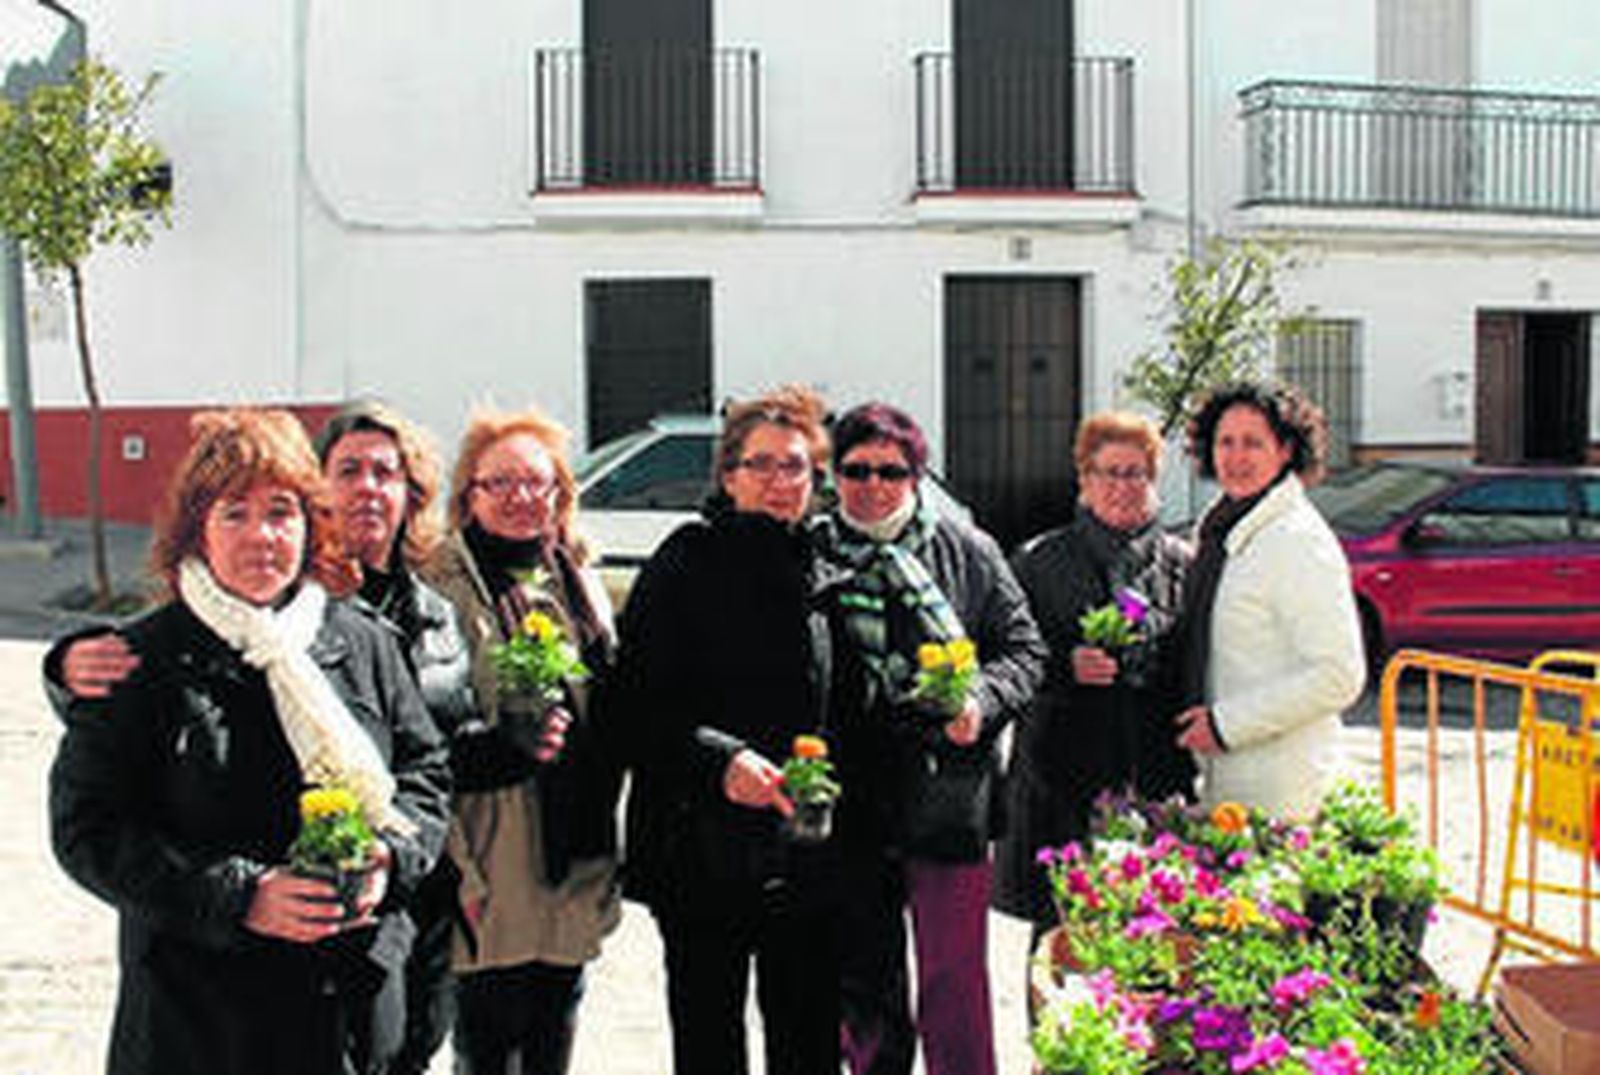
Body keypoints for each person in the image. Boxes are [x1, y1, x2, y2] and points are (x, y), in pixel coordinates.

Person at [48, 401, 475, 1075]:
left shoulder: (360, 641)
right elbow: (86, 829)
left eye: (281, 511)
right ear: (196, 532)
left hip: (350, 1012)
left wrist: (391, 859)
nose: (261, 536)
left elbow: (425, 769)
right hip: (200, 1018)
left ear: (310, 524)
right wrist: (240, 896)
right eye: (234, 513)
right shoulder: (140, 659)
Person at [610, 385, 851, 1075]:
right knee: (710, 1039)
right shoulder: (686, 561)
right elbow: (633, 708)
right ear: (729, 474)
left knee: (807, 1041)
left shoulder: (826, 562)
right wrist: (722, 760)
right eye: (763, 465)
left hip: (803, 850)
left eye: (796, 466)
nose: (781, 481)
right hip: (700, 848)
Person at [821, 402, 1044, 1075]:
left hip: (949, 793)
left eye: (892, 470)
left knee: (953, 973)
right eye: (856, 469)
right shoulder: (812, 551)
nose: (873, 485)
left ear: (917, 475)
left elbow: (1024, 650)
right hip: (851, 798)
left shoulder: (967, 550)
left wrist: (981, 699)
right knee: (864, 972)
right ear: (834, 474)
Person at [424, 406, 620, 1075]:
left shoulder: (579, 578)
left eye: (537, 483)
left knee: (553, 1035)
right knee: (487, 1044)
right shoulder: (440, 589)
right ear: (467, 496)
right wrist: (460, 868)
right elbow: (422, 739)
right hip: (492, 854)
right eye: (499, 483)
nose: (520, 498)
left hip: (574, 853)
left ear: (562, 495)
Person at [993, 411, 1193, 933]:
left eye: (1135, 473)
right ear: (1083, 479)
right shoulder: (1038, 562)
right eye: (1108, 472)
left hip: (1155, 779)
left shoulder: (1182, 565)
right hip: (1062, 781)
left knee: (1155, 938)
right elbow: (1004, 661)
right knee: (1059, 939)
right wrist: (1064, 665)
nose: (1122, 487)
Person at [1171, 382, 1366, 817]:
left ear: (1285, 452)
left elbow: (1339, 674)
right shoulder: (1221, 522)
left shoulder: (1297, 539)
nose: (1236, 457)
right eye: (1225, 442)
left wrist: (1227, 725)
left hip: (1278, 787)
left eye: (1253, 443)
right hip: (1218, 778)